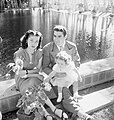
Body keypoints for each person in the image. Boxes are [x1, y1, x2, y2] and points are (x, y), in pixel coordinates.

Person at [13, 30, 68, 120]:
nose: (34, 43)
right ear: (26, 40)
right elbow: (19, 73)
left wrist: (28, 73)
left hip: (33, 78)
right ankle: (51, 111)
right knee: (32, 87)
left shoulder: (39, 53)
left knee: (33, 88)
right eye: (31, 40)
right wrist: (33, 74)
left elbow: (38, 69)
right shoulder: (19, 54)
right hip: (22, 80)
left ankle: (49, 112)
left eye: (36, 41)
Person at [42, 25, 94, 120]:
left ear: (65, 36)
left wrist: (72, 74)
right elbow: (44, 67)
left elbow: (77, 62)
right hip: (57, 77)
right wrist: (58, 74)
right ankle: (82, 114)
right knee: (65, 93)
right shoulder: (47, 48)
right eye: (54, 36)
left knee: (71, 95)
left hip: (70, 77)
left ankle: (74, 113)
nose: (56, 39)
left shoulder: (72, 46)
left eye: (59, 36)